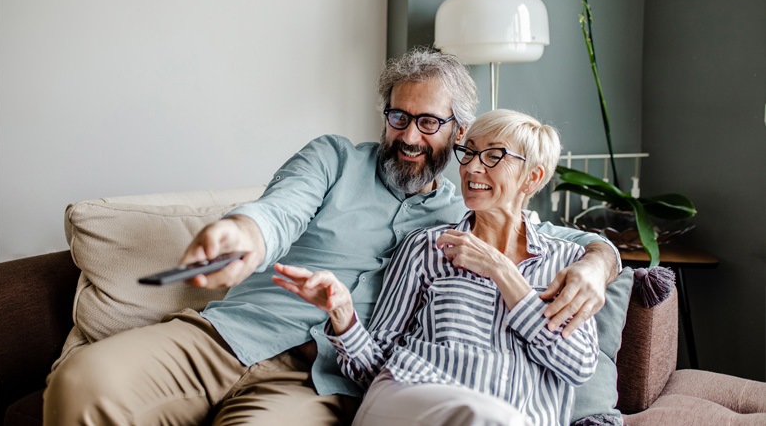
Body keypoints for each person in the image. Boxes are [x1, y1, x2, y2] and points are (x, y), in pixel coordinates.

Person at [44, 49, 618, 425]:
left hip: (323, 382)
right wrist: (241, 230)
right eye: (398, 117)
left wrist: (600, 262)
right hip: (231, 336)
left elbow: (556, 238)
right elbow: (278, 210)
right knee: (82, 382)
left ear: (457, 130)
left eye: (429, 122)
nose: (410, 136)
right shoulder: (333, 158)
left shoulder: (466, 207)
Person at [274, 109, 604, 426]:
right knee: (489, 419)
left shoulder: (567, 262)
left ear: (532, 177)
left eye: (493, 156)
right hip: (408, 397)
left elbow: (577, 365)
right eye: (469, 153)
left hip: (518, 419)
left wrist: (502, 273)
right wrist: (344, 316)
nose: (472, 168)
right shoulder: (427, 247)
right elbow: (376, 365)